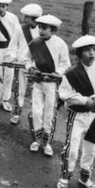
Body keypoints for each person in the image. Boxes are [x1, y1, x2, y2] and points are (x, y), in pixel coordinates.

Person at [56, 35, 95, 188]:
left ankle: (85, 177)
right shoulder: (72, 73)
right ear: (80, 53)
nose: (92, 53)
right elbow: (65, 94)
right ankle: (65, 176)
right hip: (77, 114)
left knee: (91, 149)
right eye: (87, 50)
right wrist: (84, 101)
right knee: (72, 147)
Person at [25, 14, 70, 156]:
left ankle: (47, 142)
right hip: (38, 82)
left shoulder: (60, 44)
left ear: (53, 30)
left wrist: (59, 72)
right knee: (36, 111)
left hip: (52, 84)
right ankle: (36, 140)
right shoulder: (34, 43)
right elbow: (26, 58)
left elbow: (65, 62)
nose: (41, 30)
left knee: (49, 113)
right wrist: (31, 68)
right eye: (40, 27)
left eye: (45, 28)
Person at [9, 3, 43, 124]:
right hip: (20, 63)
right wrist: (12, 57)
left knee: (37, 90)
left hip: (37, 65)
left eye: (27, 16)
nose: (24, 18)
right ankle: (17, 113)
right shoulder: (19, 28)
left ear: (34, 18)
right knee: (19, 89)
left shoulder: (42, 31)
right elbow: (13, 45)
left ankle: (35, 115)